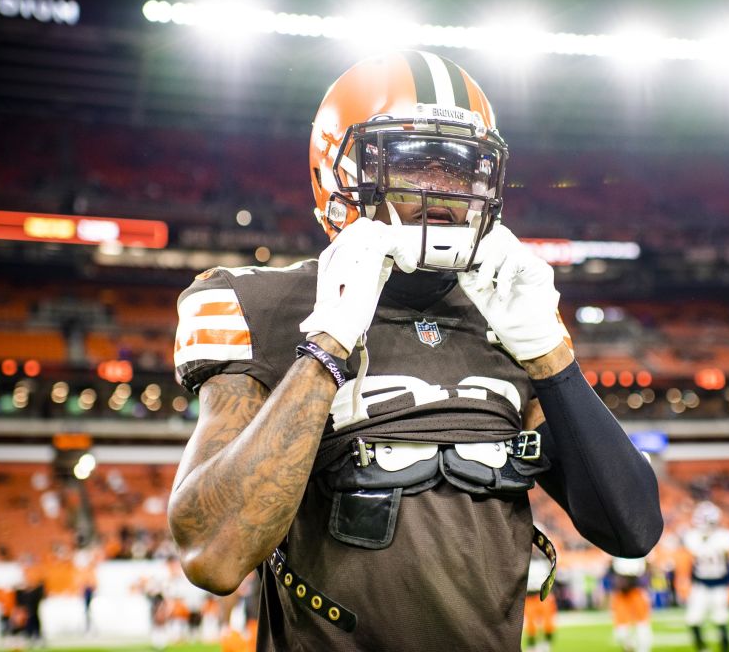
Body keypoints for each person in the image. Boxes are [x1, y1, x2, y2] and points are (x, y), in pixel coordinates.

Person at [168, 50, 663, 651]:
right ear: (338, 173)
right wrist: (325, 347)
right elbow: (213, 556)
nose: (443, 193)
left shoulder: (507, 312)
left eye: (461, 171)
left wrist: (552, 359)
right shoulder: (263, 306)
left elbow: (632, 528)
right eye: (413, 167)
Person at [682, 502, 729, 652]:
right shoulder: (720, 537)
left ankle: (724, 649)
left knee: (720, 618)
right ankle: (703, 649)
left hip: (718, 583)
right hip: (701, 583)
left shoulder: (721, 537)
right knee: (694, 618)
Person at [608, 556, 653, 652]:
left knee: (642, 625)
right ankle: (629, 646)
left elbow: (647, 566)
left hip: (637, 591)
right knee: (620, 631)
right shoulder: (616, 552)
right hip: (621, 594)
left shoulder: (639, 552)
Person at [523, 556, 558, 652]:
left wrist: (552, 592)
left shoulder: (544, 560)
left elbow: (551, 578)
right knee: (530, 624)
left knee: (548, 622)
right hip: (529, 596)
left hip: (543, 595)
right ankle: (531, 646)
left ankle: (547, 644)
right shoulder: (523, 561)